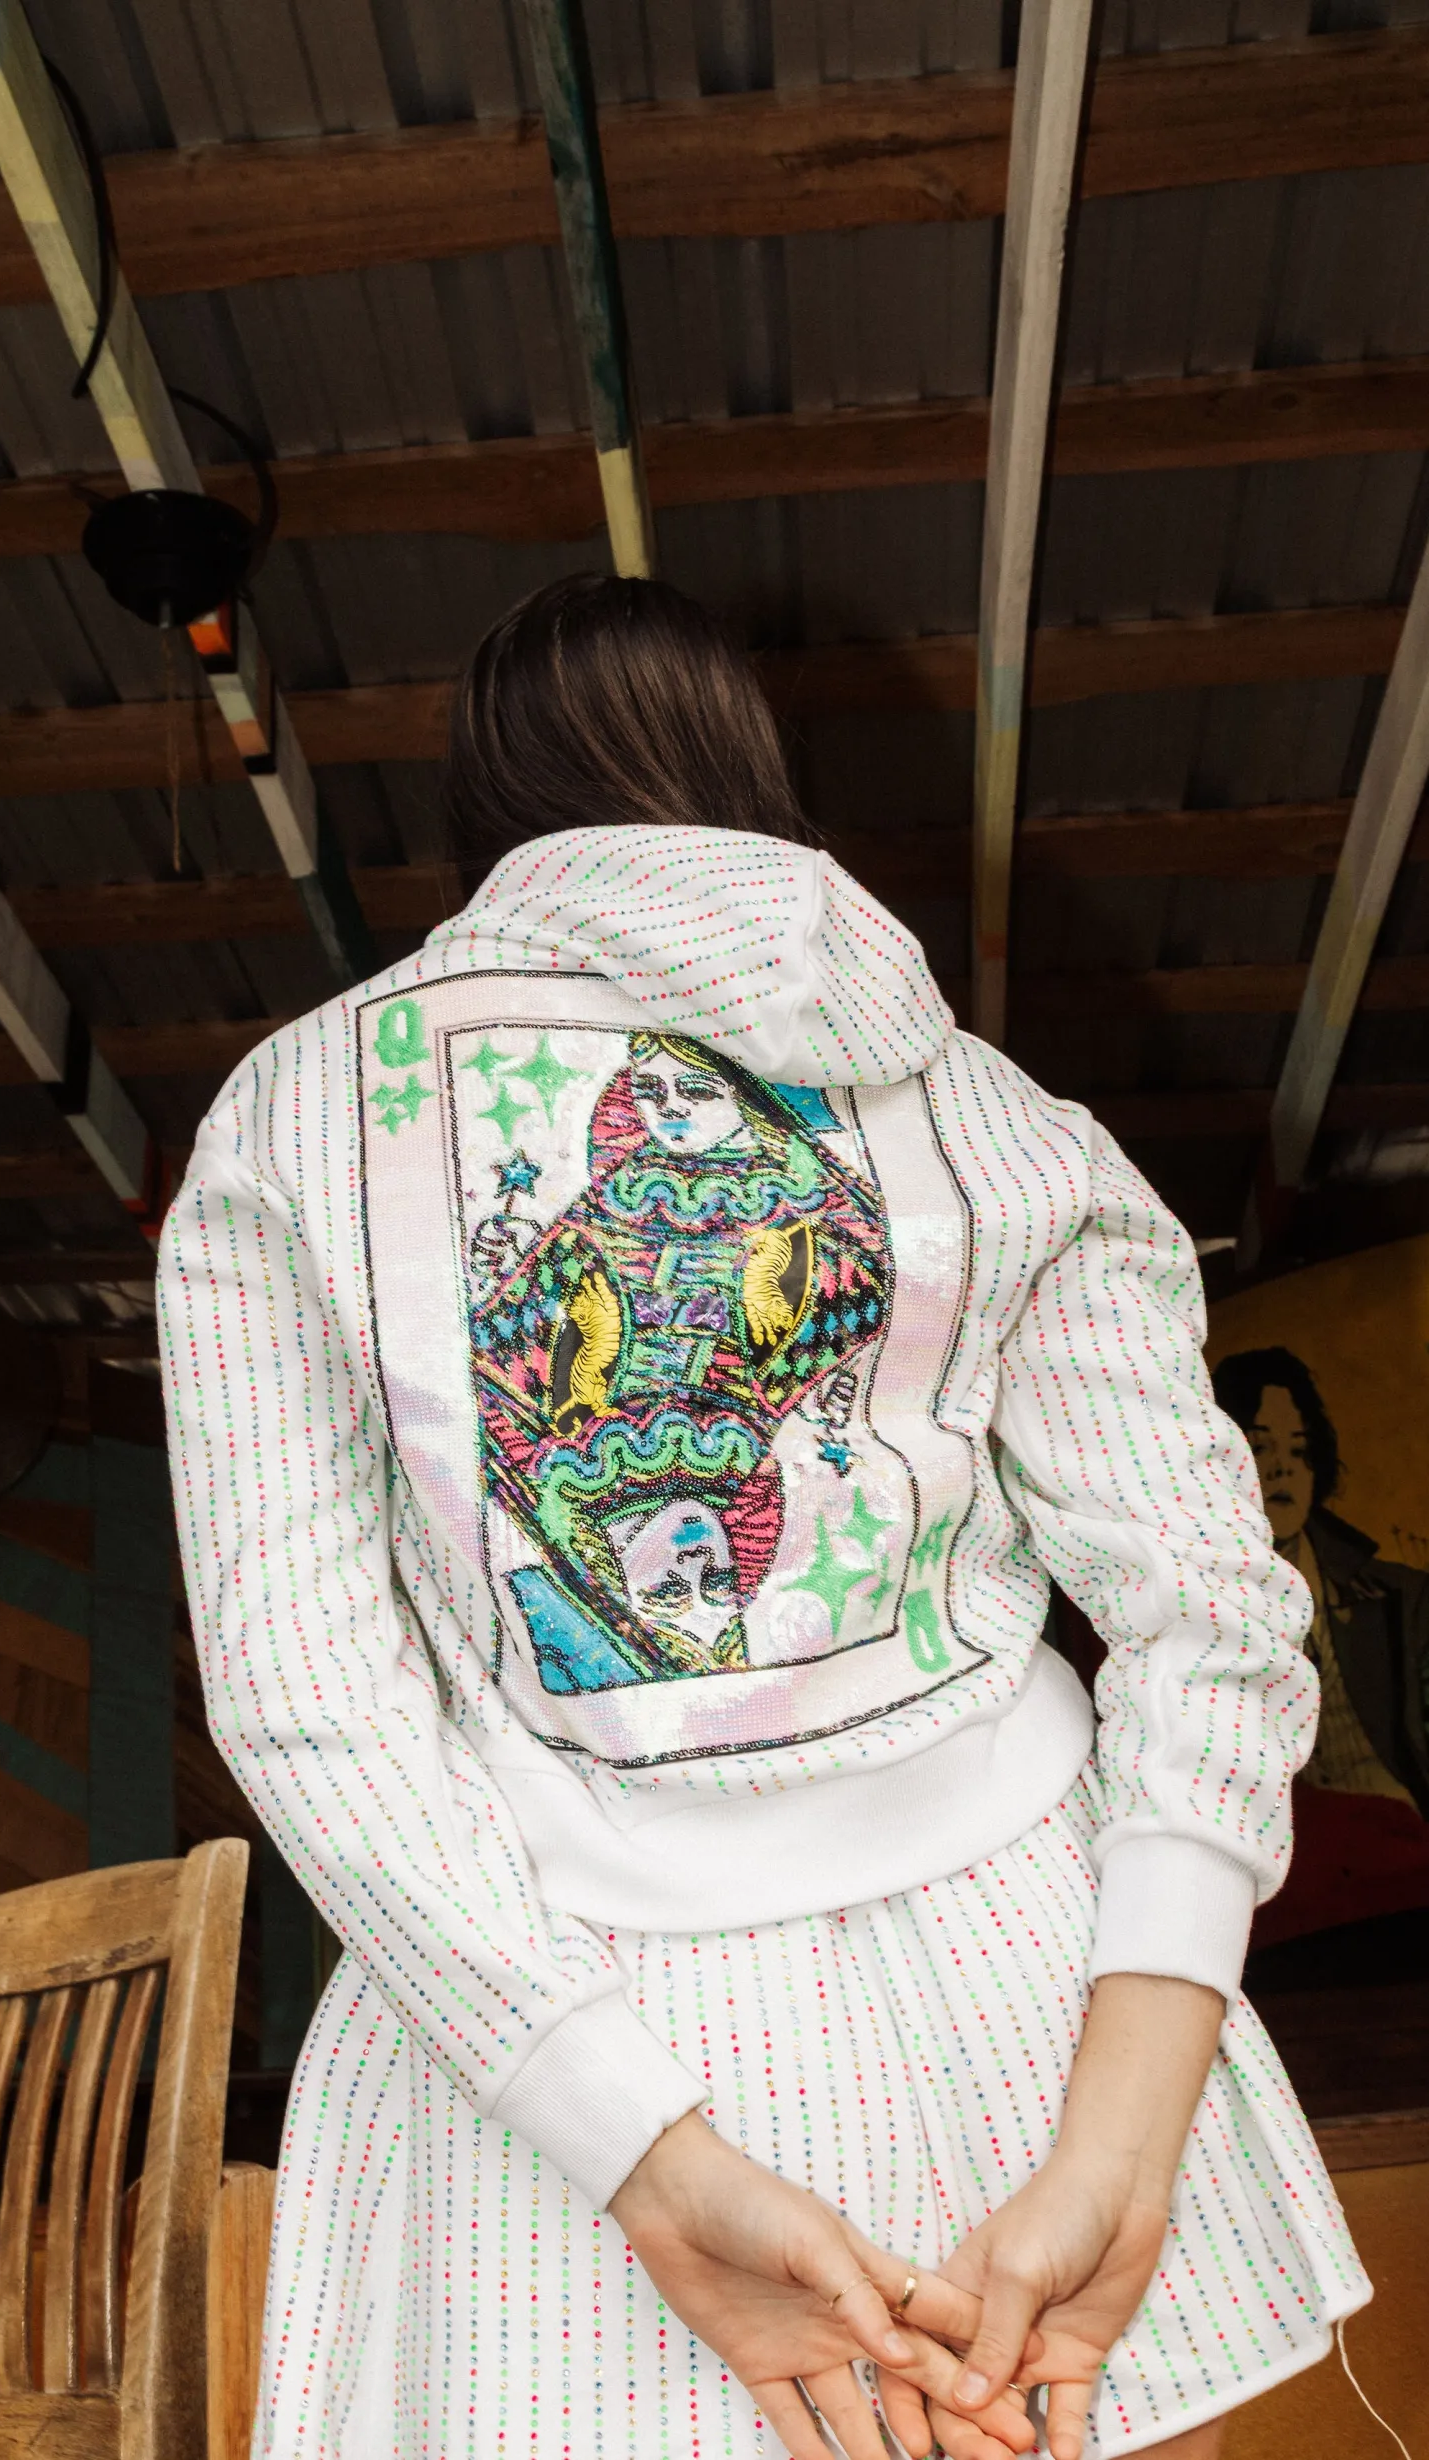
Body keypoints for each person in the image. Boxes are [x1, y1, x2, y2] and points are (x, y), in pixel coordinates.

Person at [160, 576, 1367, 2460]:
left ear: (489, 815)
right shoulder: (992, 1109)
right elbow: (1211, 1607)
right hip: (1050, 1995)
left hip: (561, 2041)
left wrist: (641, 2155)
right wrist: (1127, 2146)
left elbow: (307, 1697)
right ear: (752, 771)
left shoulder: (291, 1122)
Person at [1212, 1345, 1429, 1946]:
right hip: (1275, 1892)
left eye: (1300, 1451)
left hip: (1404, 1864)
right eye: (1260, 1448)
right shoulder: (1192, 1600)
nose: (1283, 1471)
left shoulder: (1399, 1598)